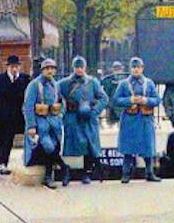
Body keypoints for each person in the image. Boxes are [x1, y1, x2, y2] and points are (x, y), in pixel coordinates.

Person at [58, 56, 109, 185]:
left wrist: (95, 111)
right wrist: (61, 112)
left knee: (89, 144)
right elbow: (56, 95)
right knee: (74, 144)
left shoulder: (92, 82)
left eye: (81, 67)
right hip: (73, 117)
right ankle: (67, 171)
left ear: (85, 68)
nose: (79, 70)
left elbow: (104, 98)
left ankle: (87, 173)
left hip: (88, 117)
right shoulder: (65, 83)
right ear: (73, 68)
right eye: (77, 67)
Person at [113, 57, 162, 184]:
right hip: (129, 119)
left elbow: (157, 100)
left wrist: (146, 100)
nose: (136, 70)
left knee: (148, 148)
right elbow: (116, 100)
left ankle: (150, 172)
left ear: (142, 68)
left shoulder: (149, 83)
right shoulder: (123, 84)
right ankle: (125, 173)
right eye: (134, 67)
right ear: (130, 69)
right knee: (128, 149)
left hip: (145, 118)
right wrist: (130, 100)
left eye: (138, 67)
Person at [0, 55, 30, 175]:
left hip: (15, 116)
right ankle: (1, 163)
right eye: (12, 67)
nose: (14, 69)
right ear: (8, 67)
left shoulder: (25, 79)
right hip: (0, 115)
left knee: (8, 139)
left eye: (16, 67)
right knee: (0, 139)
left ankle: (4, 163)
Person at [22, 58, 66, 189]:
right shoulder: (35, 85)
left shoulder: (55, 85)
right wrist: (31, 125)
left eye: (52, 68)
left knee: (54, 147)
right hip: (40, 123)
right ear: (42, 70)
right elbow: (28, 106)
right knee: (48, 147)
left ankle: (49, 176)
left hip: (54, 123)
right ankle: (64, 167)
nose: (50, 71)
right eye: (47, 68)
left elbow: (61, 102)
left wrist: (61, 114)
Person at [100, 61, 126, 127]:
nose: (117, 72)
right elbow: (106, 94)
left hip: (123, 105)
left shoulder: (125, 80)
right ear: (113, 71)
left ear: (122, 70)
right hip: (111, 106)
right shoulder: (108, 81)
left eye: (119, 70)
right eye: (115, 70)